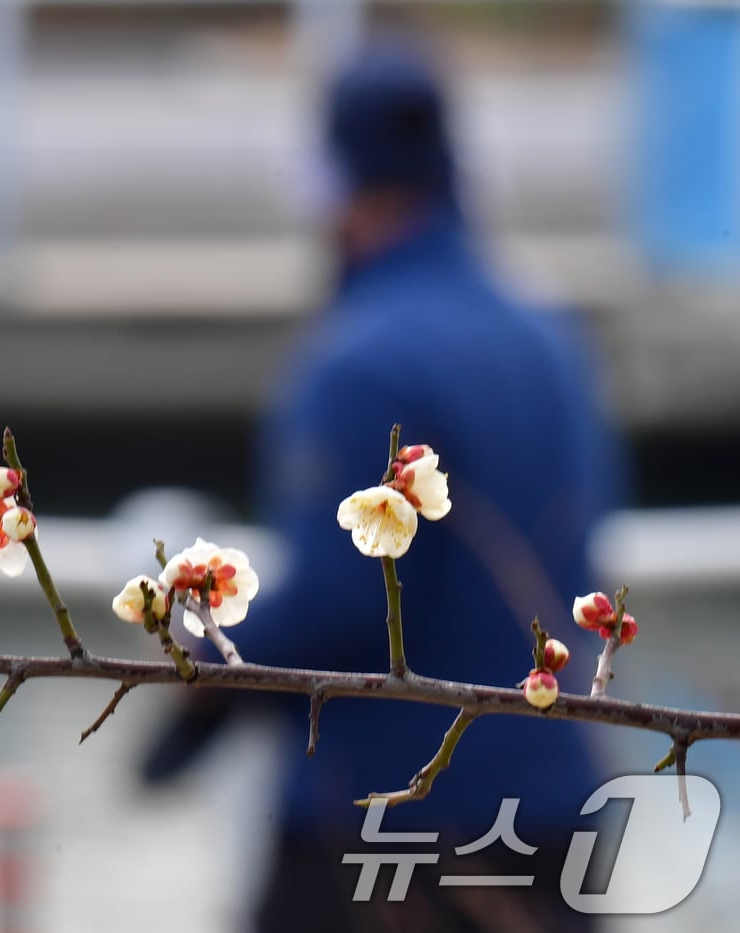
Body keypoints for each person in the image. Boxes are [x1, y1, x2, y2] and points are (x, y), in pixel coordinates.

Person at [140, 36, 620, 932]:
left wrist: (194, 676)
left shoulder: (358, 366)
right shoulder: (553, 342)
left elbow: (336, 605)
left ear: (334, 185)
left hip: (385, 835)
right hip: (556, 814)